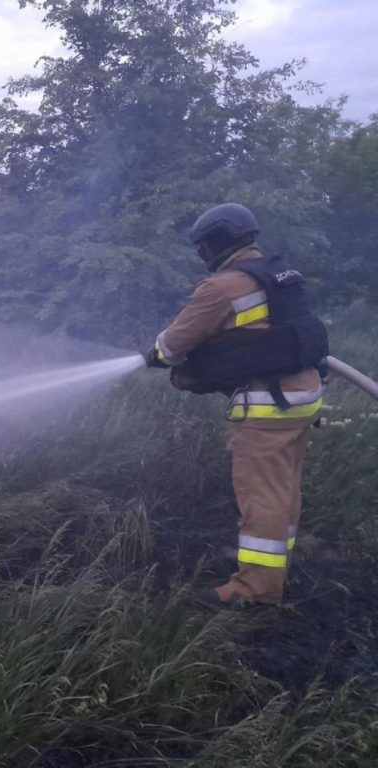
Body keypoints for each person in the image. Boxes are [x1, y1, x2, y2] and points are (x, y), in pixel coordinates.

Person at [145, 203, 329, 607]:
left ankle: (255, 589)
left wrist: (153, 355)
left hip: (268, 406)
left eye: (203, 247)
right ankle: (271, 563)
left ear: (217, 242)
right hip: (302, 397)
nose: (202, 255)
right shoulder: (276, 274)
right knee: (282, 487)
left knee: (261, 496)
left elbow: (172, 346)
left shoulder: (223, 286)